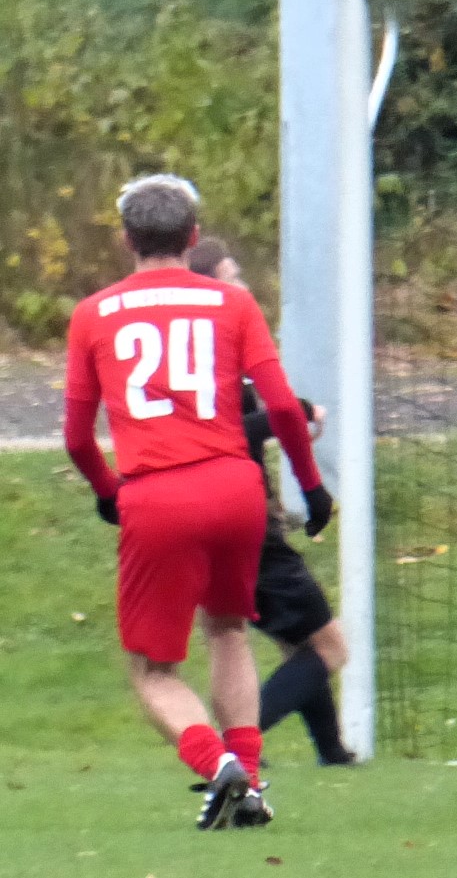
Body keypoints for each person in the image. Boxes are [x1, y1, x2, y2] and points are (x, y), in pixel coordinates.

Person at [63, 174, 333, 828]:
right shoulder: (230, 304)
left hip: (157, 493)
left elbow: (76, 437)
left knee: (153, 670)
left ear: (126, 239)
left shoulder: (93, 313)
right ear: (193, 236)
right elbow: (282, 407)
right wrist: (311, 485)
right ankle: (251, 785)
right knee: (229, 630)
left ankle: (219, 766)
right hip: (236, 488)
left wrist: (107, 492)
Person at [187, 237, 356, 767]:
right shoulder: (219, 357)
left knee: (300, 644)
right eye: (232, 275)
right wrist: (297, 413)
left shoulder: (198, 357)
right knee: (330, 648)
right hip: (244, 520)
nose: (243, 285)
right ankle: (233, 749)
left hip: (210, 514)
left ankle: (333, 753)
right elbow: (232, 434)